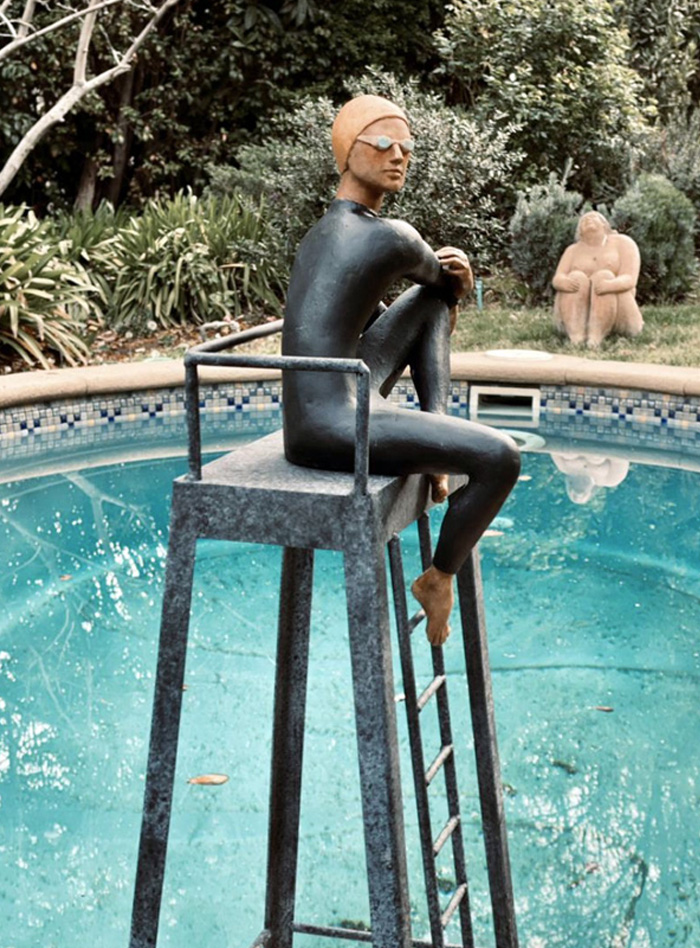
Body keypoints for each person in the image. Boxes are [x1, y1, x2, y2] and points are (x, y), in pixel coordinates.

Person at [282, 94, 520, 645]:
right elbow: (448, 286)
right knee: (500, 458)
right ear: (348, 151)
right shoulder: (395, 238)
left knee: (427, 304)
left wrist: (440, 294)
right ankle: (438, 578)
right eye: (384, 142)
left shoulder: (321, 232)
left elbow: (375, 314)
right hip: (334, 425)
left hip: (315, 407)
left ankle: (436, 449)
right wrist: (459, 277)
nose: (399, 156)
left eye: (407, 147)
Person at [552, 210, 644, 348]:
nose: (588, 219)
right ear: (579, 231)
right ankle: (576, 336)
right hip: (575, 309)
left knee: (603, 276)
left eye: (594, 217)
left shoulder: (624, 243)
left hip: (620, 310)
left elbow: (630, 278)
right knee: (576, 277)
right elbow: (558, 277)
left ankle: (596, 337)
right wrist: (564, 282)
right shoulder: (572, 250)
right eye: (584, 220)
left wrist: (610, 285)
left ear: (604, 225)